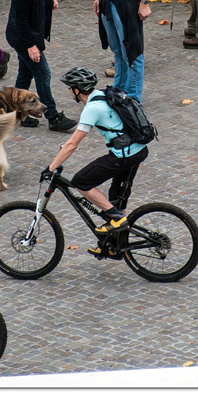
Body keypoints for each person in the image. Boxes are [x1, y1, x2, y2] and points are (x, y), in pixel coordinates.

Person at [46, 67, 149, 259]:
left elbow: (72, 144)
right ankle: (115, 245)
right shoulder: (102, 95)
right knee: (117, 199)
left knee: (81, 181)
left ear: (77, 90)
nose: (69, 91)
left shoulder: (91, 109)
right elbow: (69, 144)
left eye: (70, 88)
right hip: (138, 150)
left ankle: (116, 220)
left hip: (124, 155)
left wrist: (51, 168)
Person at [5, 0, 77, 132]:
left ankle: (17, 113)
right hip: (23, 37)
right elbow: (20, 19)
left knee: (25, 73)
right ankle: (52, 116)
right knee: (42, 73)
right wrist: (30, 46)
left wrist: (49, 1)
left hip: (31, 35)